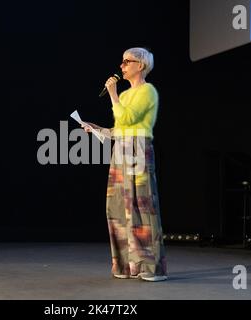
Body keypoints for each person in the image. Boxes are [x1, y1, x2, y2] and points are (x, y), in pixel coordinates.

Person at [82, 47, 167, 281]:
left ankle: (152, 267)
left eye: (127, 61)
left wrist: (112, 93)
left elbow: (128, 118)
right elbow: (119, 128)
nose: (122, 66)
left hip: (138, 150)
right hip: (121, 151)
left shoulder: (147, 92)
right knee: (118, 207)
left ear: (140, 65)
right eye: (122, 61)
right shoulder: (126, 95)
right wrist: (96, 129)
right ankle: (128, 264)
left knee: (142, 206)